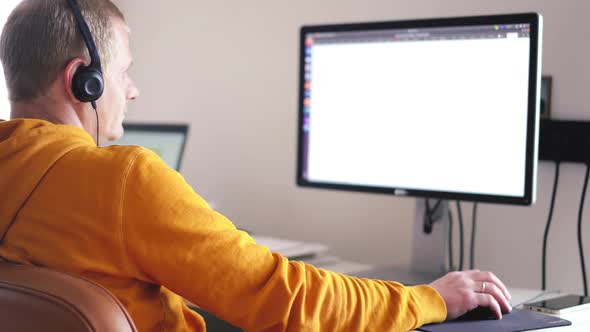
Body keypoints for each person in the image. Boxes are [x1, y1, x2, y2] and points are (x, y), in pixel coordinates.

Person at [0, 0, 512, 331]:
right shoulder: (122, 179)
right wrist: (430, 299)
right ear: (82, 80)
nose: (132, 90)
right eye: (124, 73)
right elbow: (287, 300)